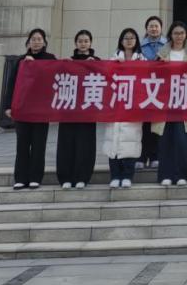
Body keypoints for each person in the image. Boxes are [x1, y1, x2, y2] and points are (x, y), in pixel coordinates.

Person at [5, 27, 55, 189]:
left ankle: (35, 177)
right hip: (23, 109)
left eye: (39, 39)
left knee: (39, 145)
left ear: (44, 42)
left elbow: (55, 78)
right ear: (28, 42)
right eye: (33, 39)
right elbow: (11, 84)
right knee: (22, 144)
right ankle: (20, 178)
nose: (36, 42)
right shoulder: (21, 61)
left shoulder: (50, 59)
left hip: (41, 110)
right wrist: (8, 106)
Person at [155, 21, 187, 187]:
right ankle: (165, 174)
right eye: (176, 33)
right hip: (165, 102)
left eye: (182, 33)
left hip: (185, 101)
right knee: (165, 140)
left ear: (186, 35)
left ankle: (181, 174)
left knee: (182, 140)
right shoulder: (162, 52)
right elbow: (154, 74)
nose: (179, 36)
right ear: (171, 35)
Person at [56, 29, 98, 189]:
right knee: (66, 143)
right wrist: (62, 66)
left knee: (85, 144)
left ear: (91, 43)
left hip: (88, 110)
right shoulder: (67, 62)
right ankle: (66, 177)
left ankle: (82, 177)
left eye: (86, 41)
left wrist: (95, 66)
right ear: (75, 43)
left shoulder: (97, 61)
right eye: (80, 41)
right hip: (69, 109)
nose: (83, 44)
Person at [104, 28, 145, 188]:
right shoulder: (113, 59)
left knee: (131, 141)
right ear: (121, 41)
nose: (129, 40)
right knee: (113, 140)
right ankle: (115, 175)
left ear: (136, 41)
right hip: (116, 105)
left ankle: (127, 175)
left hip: (133, 106)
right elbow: (106, 79)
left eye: (132, 38)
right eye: (126, 38)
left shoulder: (142, 60)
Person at [139, 15, 165, 169]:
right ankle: (142, 157)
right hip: (143, 89)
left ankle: (155, 156)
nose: (154, 29)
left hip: (161, 89)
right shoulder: (139, 46)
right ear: (146, 28)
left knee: (157, 125)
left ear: (161, 28)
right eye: (151, 26)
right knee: (144, 125)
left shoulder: (167, 45)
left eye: (156, 26)